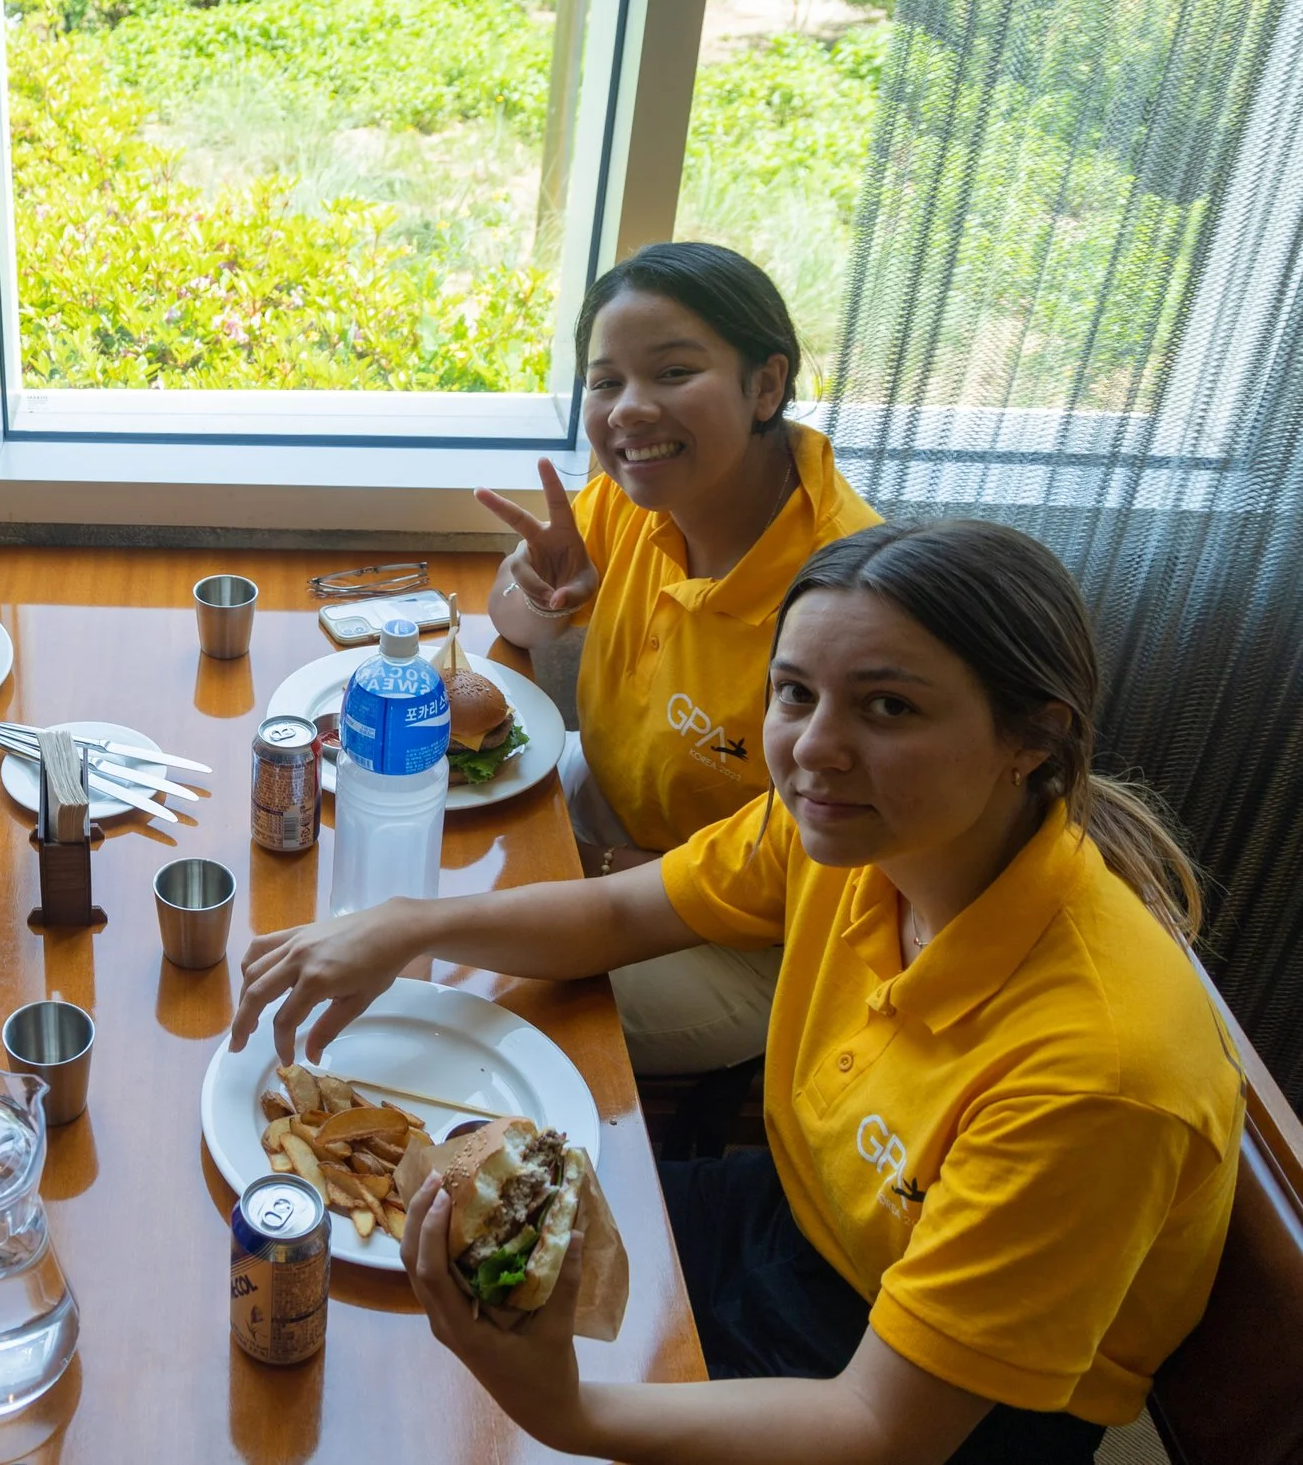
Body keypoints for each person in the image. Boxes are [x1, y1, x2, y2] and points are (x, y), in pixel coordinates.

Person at [233, 520, 1241, 1465]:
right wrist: (406, 923)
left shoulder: (1097, 1074)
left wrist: (568, 1413)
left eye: (889, 706)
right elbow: (621, 912)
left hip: (937, 1403)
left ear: (1034, 737)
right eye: (795, 692)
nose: (813, 748)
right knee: (392, 1296)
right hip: (795, 1217)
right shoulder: (857, 832)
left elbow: (882, 1427)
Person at [476, 242, 880, 1075]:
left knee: (480, 994)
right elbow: (511, 616)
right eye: (606, 382)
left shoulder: (848, 598)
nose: (629, 409)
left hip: (742, 931)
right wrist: (536, 593)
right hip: (606, 816)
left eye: (673, 372)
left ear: (765, 385)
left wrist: (612, 868)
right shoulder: (641, 492)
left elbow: (827, 851)